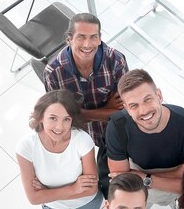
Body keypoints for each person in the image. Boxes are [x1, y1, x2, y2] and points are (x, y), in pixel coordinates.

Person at [106, 69, 184, 208]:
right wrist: (177, 173)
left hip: (170, 190)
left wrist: (146, 178)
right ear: (126, 108)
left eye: (147, 99)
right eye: (133, 105)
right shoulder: (117, 127)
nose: (143, 111)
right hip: (139, 190)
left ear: (159, 95)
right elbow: (124, 184)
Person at [44, 13, 128, 146]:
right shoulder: (53, 73)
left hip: (120, 131)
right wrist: (107, 107)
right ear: (69, 39)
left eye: (93, 37)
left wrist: (81, 114)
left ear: (100, 39)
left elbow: (124, 111)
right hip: (85, 136)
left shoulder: (116, 60)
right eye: (81, 37)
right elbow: (62, 120)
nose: (87, 44)